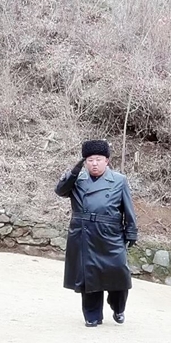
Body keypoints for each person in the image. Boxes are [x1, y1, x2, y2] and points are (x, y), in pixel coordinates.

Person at [55, 140, 138, 328]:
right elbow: (60, 191)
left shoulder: (119, 180)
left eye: (98, 159)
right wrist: (73, 173)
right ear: (85, 162)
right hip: (84, 233)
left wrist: (131, 231)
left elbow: (128, 208)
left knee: (119, 272)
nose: (94, 163)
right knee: (88, 275)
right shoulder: (77, 180)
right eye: (90, 159)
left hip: (110, 234)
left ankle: (118, 307)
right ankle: (92, 315)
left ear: (107, 161)